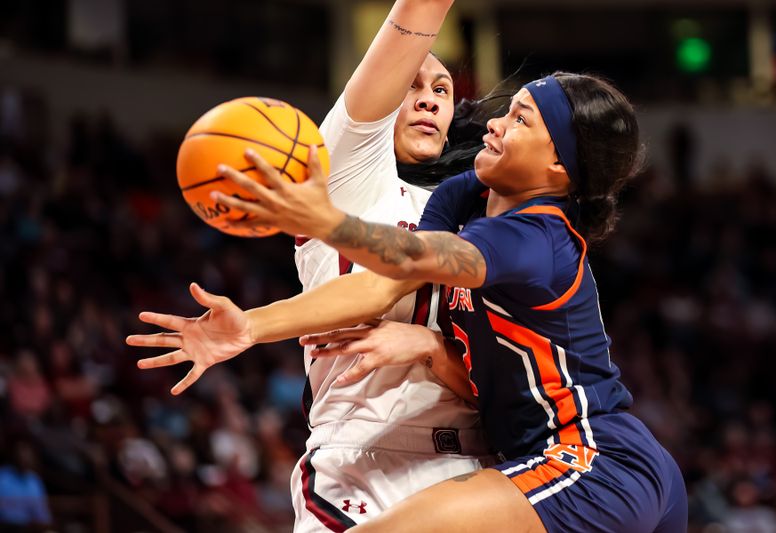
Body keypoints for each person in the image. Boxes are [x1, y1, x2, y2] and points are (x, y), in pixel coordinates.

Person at [207, 71, 689, 532]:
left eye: (521, 119)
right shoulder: (469, 193)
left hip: (591, 462)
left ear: (559, 165)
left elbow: (418, 254)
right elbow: (387, 281)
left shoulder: (539, 235)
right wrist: (248, 327)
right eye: (509, 111)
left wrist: (324, 221)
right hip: (606, 466)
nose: (496, 123)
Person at [128, 1, 497, 530]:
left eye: (441, 90)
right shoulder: (350, 169)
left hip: (475, 466)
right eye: (411, 85)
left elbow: (500, 379)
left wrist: (435, 351)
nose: (428, 100)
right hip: (364, 460)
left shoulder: (477, 218)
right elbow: (419, 14)